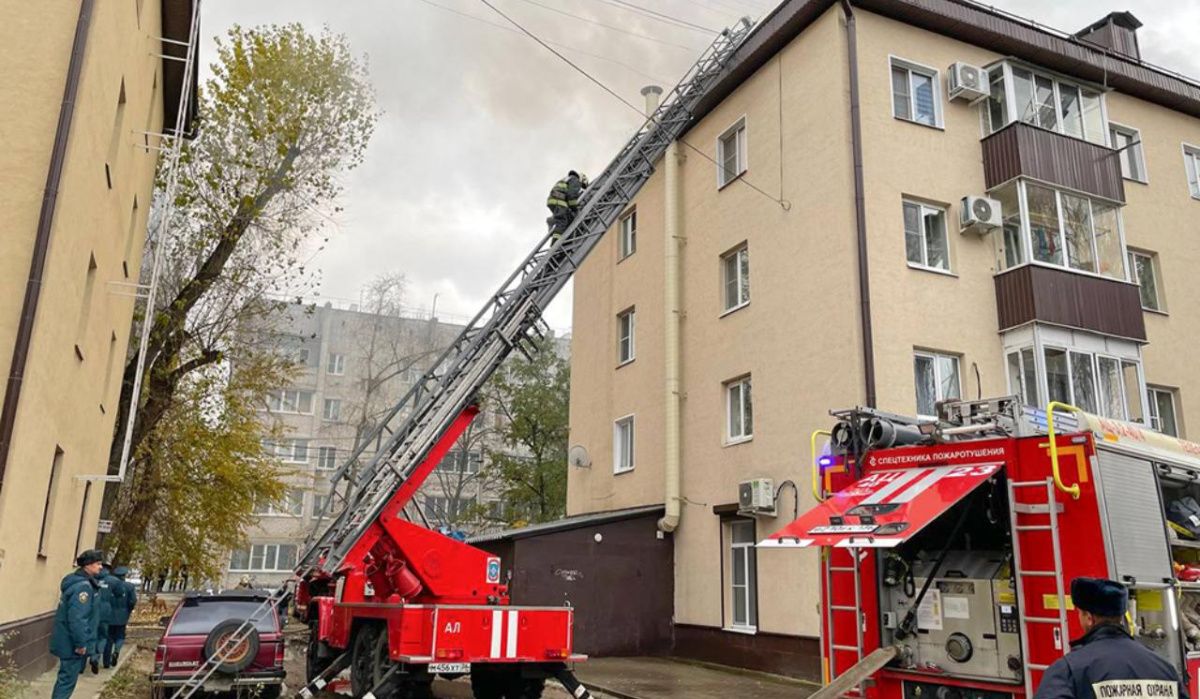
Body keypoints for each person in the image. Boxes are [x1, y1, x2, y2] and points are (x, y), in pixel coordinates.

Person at [1035, 577, 1189, 699]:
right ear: (1120, 616)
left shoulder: (1070, 669)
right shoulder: (1165, 669)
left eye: (1080, 613)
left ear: (1089, 618)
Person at [49, 550, 103, 699]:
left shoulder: (76, 582)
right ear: (88, 565)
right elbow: (78, 618)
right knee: (67, 682)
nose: (101, 567)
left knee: (65, 679)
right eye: (98, 563)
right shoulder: (83, 587)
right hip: (72, 643)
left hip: (67, 639)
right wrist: (81, 643)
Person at [103, 566, 137, 668]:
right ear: (124, 576)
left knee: (108, 638)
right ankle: (117, 651)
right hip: (122, 616)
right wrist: (129, 610)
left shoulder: (108, 585)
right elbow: (132, 601)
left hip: (109, 616)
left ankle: (106, 662)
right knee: (120, 636)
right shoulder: (129, 586)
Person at [546, 170, 588, 238]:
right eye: (582, 185)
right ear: (582, 179)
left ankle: (553, 220)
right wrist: (575, 208)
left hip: (553, 200)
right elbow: (571, 195)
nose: (580, 187)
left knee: (565, 217)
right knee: (562, 222)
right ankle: (556, 241)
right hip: (559, 201)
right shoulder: (575, 180)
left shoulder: (567, 179)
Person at [91, 564, 113, 673]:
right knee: (103, 636)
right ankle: (95, 657)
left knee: (91, 635)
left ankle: (84, 663)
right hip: (105, 613)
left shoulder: (91, 579)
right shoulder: (112, 581)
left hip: (92, 612)